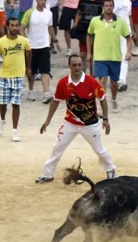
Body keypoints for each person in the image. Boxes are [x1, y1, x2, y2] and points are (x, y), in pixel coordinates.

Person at [36, 54, 117, 183]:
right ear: (69, 66)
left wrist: (106, 119)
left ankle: (111, 171)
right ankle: (47, 173)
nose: (77, 68)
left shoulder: (91, 81)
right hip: (70, 123)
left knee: (100, 150)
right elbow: (55, 101)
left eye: (79, 65)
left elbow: (102, 100)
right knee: (57, 147)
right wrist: (47, 121)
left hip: (90, 124)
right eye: (74, 65)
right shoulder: (63, 83)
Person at [87, 0, 132, 113]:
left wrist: (128, 52)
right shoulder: (95, 21)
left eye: (110, 5)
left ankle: (113, 99)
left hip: (114, 56)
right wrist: (89, 52)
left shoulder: (120, 21)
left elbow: (128, 37)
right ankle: (101, 104)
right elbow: (89, 35)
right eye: (106, 5)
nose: (108, 7)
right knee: (102, 80)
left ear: (113, 7)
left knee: (113, 83)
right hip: (100, 56)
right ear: (103, 7)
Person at [0, 17, 33, 142]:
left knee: (16, 104)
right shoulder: (0, 42)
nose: (14, 28)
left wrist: (29, 67)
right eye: (12, 25)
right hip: (4, 76)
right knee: (3, 102)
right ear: (8, 26)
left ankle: (15, 130)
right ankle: (2, 120)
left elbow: (29, 53)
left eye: (16, 25)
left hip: (18, 76)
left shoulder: (24, 41)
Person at [21, 0, 57, 103]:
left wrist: (54, 39)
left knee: (45, 70)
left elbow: (50, 27)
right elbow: (22, 27)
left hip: (44, 45)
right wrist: (24, 40)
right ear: (36, 0)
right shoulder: (30, 12)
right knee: (31, 70)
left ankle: (46, 93)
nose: (43, 1)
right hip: (32, 46)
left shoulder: (48, 14)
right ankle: (31, 91)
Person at [73, 0, 104, 72]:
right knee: (83, 54)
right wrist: (75, 24)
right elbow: (78, 13)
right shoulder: (82, 1)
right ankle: (83, 75)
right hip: (83, 30)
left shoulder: (101, 2)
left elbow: (102, 16)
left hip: (95, 31)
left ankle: (92, 77)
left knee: (92, 56)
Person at [111, 0, 135, 92]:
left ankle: (122, 80)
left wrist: (132, 30)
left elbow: (129, 16)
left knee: (125, 57)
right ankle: (113, 78)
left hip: (126, 34)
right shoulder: (111, 2)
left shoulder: (128, 2)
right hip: (113, 33)